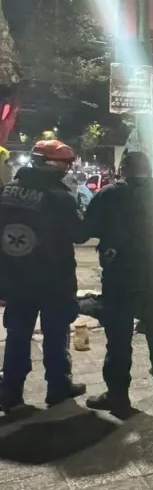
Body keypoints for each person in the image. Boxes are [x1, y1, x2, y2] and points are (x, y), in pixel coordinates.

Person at [83, 151, 153, 417]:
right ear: (149, 169)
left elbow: (83, 231)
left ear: (124, 169)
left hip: (120, 276)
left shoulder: (109, 194)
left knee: (118, 337)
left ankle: (118, 397)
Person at [0, 140, 88, 410]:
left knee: (17, 334)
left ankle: (10, 392)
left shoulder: (6, 191)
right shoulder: (58, 196)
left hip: (15, 278)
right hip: (53, 280)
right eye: (66, 164)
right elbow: (79, 234)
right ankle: (58, 387)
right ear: (52, 164)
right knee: (55, 333)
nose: (68, 169)